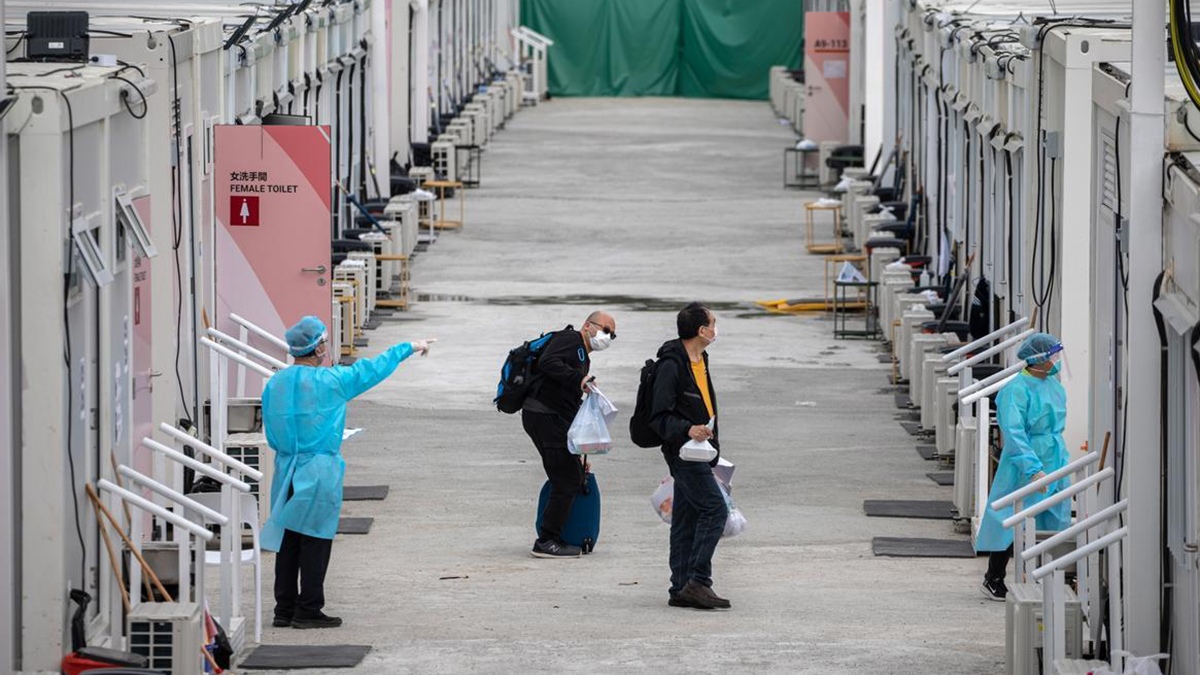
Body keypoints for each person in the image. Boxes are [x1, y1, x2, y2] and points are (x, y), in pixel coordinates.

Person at [261, 316, 434, 628]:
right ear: (317, 348)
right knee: (315, 538)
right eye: (324, 341)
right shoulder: (332, 382)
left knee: (289, 539)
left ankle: (283, 609)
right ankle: (309, 609)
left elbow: (271, 430)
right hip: (318, 471)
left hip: (285, 468)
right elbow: (372, 369)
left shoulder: (276, 382)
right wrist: (409, 347)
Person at [975, 332, 1069, 601]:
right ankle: (993, 577)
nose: (1056, 359)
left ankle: (1046, 576)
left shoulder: (1053, 384)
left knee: (1053, 516)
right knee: (1010, 517)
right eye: (1051, 354)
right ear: (1038, 357)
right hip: (1024, 461)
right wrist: (1032, 467)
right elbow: (1014, 434)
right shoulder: (1014, 390)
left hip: (1056, 455)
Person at [650, 302, 730, 610]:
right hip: (683, 453)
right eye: (713, 323)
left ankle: (680, 587)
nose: (715, 329)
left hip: (701, 453)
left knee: (686, 519)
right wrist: (688, 429)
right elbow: (658, 417)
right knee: (715, 511)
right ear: (701, 330)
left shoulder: (700, 358)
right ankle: (698, 581)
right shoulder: (672, 364)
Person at [522, 311, 617, 558]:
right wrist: (579, 379)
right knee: (566, 479)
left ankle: (554, 535)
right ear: (587, 326)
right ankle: (547, 541)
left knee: (571, 474)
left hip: (550, 418)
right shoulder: (570, 340)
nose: (607, 336)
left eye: (612, 334)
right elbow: (547, 362)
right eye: (605, 329)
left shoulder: (583, 355)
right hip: (544, 416)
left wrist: (578, 447)